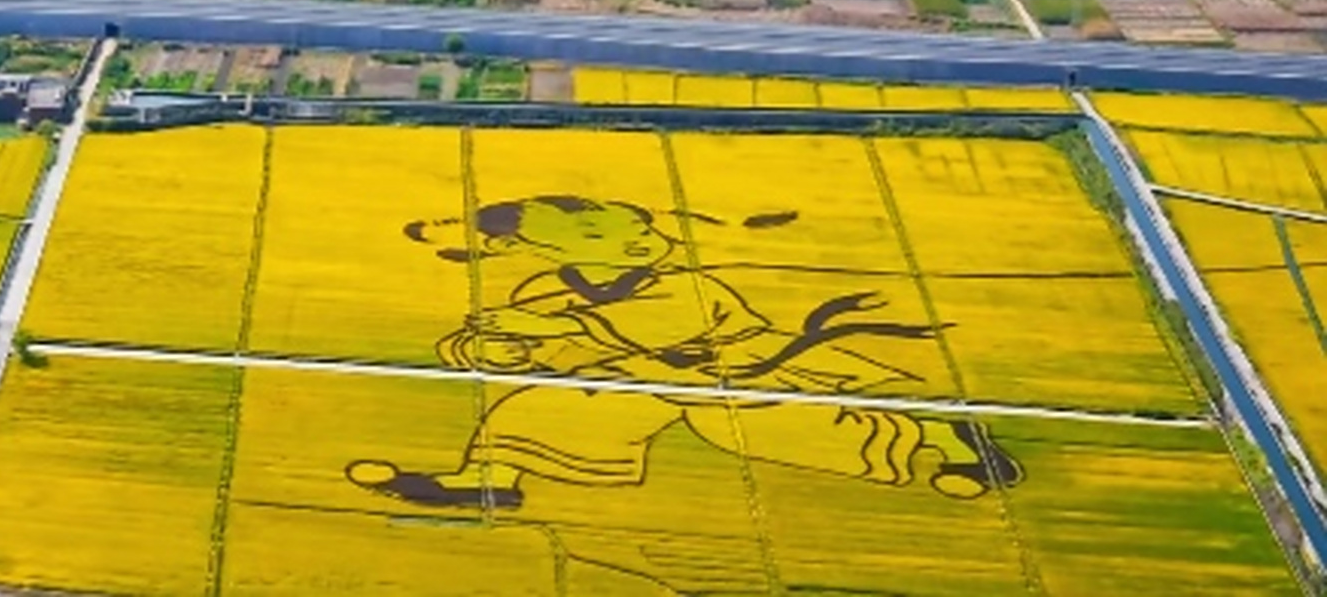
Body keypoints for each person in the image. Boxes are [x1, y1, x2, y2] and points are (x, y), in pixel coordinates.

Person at [347, 195, 1022, 510]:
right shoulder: (547, 287)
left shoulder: (683, 283)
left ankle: (950, 442)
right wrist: (505, 347)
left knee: (789, 427)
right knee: (539, 407)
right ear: (536, 251)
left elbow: (658, 327)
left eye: (631, 226)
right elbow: (529, 343)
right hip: (640, 378)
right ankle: (489, 482)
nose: (635, 238)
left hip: (742, 365)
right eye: (595, 233)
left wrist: (557, 334)